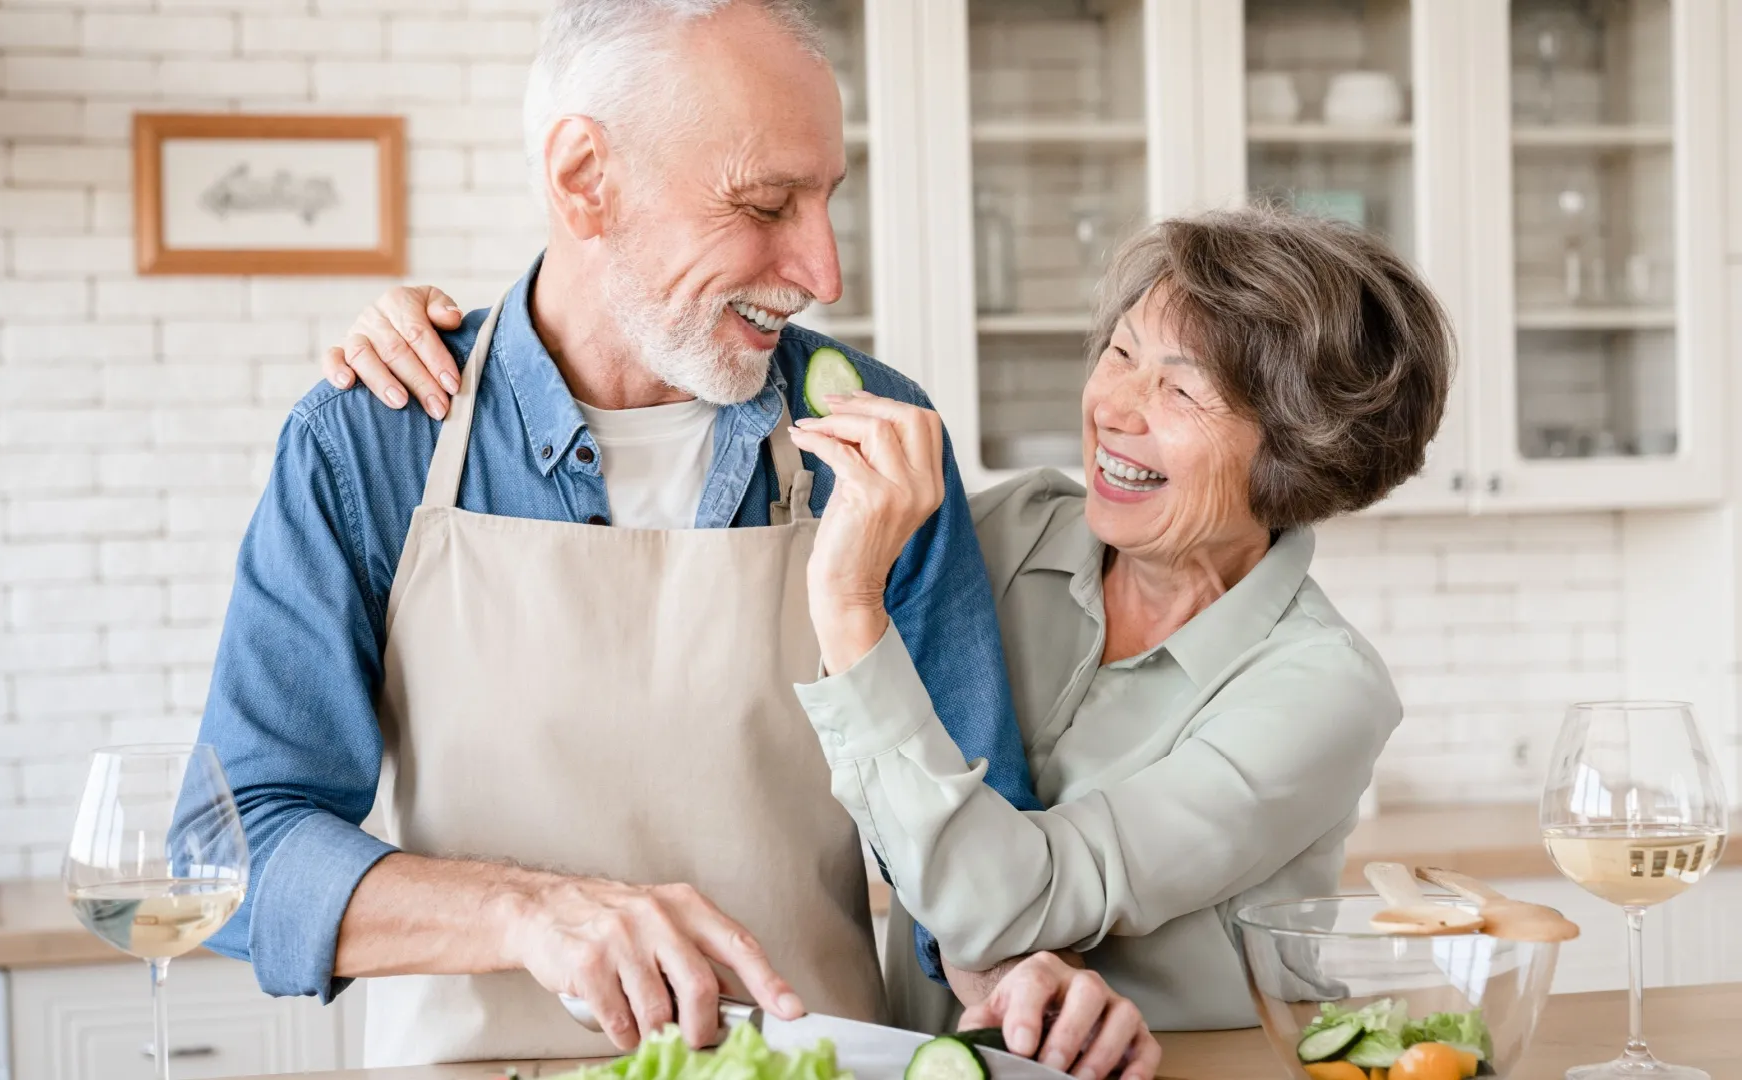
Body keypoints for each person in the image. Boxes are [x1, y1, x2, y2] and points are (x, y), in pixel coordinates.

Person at [200, 0, 1132, 1072]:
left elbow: (970, 876)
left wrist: (1028, 983)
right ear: (585, 180)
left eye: (826, 199)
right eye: (765, 204)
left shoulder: (872, 439)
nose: (824, 273)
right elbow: (232, 852)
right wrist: (530, 914)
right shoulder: (375, 440)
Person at [338, 207, 1451, 1079]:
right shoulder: (1012, 531)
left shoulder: (1321, 690)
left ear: (1297, 450)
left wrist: (853, 604)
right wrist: (474, 344)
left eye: (1183, 389)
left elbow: (1000, 900)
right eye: (1120, 353)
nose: (1117, 406)